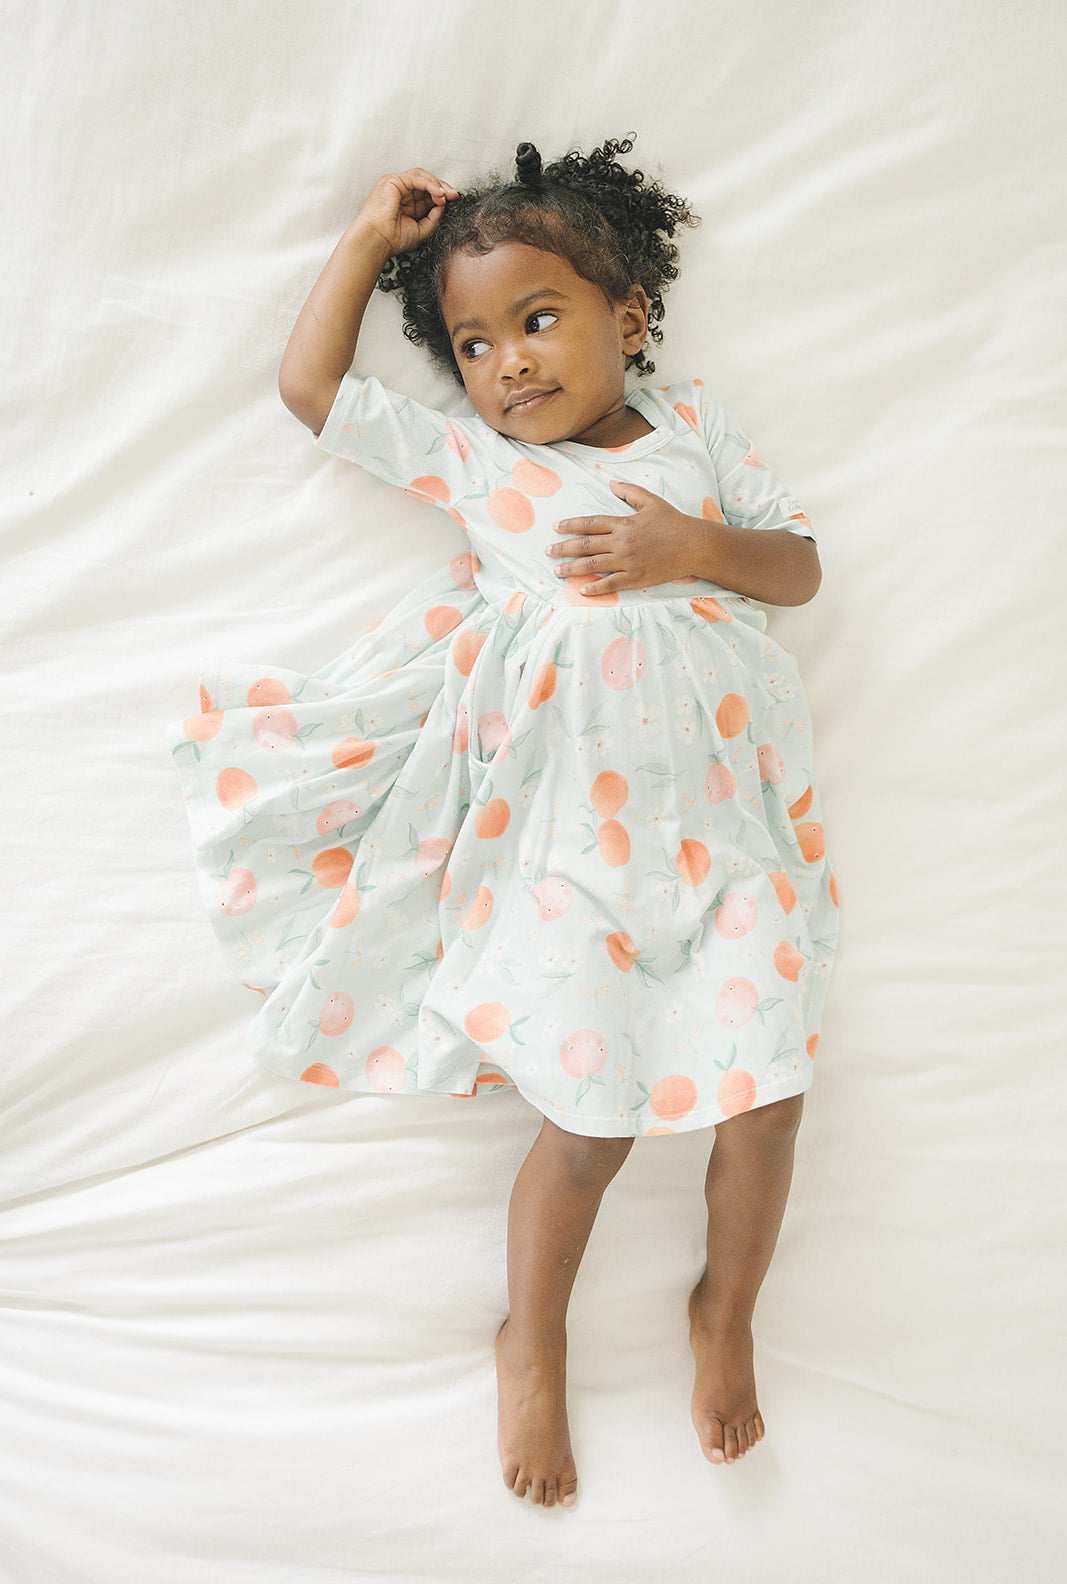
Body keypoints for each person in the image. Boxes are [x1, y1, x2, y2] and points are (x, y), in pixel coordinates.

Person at [168, 136, 838, 1510]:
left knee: (769, 1107)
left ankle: (725, 1311)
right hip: (573, 864)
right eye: (474, 345)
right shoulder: (480, 464)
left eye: (538, 321)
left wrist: (689, 546)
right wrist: (370, 236)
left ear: (629, 320)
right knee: (589, 1125)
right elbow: (310, 392)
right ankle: (531, 1339)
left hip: (731, 857)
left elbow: (799, 569)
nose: (508, 365)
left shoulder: (694, 430)